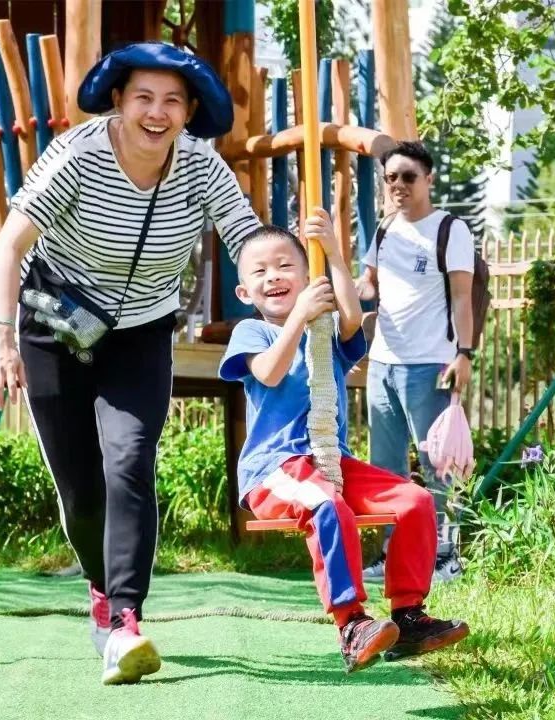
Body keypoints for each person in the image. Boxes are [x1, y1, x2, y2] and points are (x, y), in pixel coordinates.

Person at [0, 42, 260, 686]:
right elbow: (9, 246)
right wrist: (0, 337)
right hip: (54, 323)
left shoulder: (201, 168)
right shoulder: (77, 155)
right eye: (143, 98)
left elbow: (246, 237)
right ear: (118, 101)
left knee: (129, 459)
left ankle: (126, 618)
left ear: (190, 113)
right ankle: (99, 585)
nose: (156, 114)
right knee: (80, 487)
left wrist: (281, 283)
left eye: (172, 102)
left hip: (141, 333)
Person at [219, 215, 469, 673]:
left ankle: (408, 617)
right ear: (245, 293)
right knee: (327, 506)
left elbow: (353, 319)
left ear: (306, 277)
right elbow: (269, 372)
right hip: (276, 471)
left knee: (414, 501)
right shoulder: (251, 333)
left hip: (331, 463)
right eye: (260, 271)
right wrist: (300, 313)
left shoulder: (323, 331)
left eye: (284, 266)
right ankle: (351, 623)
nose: (273, 276)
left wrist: (334, 251)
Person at [356, 141, 476, 584]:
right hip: (383, 362)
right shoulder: (386, 229)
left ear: (428, 179)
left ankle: (446, 557)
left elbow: (463, 298)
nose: (399, 185)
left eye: (408, 176)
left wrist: (464, 353)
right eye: (391, 178)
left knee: (438, 464)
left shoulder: (449, 229)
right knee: (384, 466)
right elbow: (368, 286)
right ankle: (392, 552)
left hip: (432, 363)